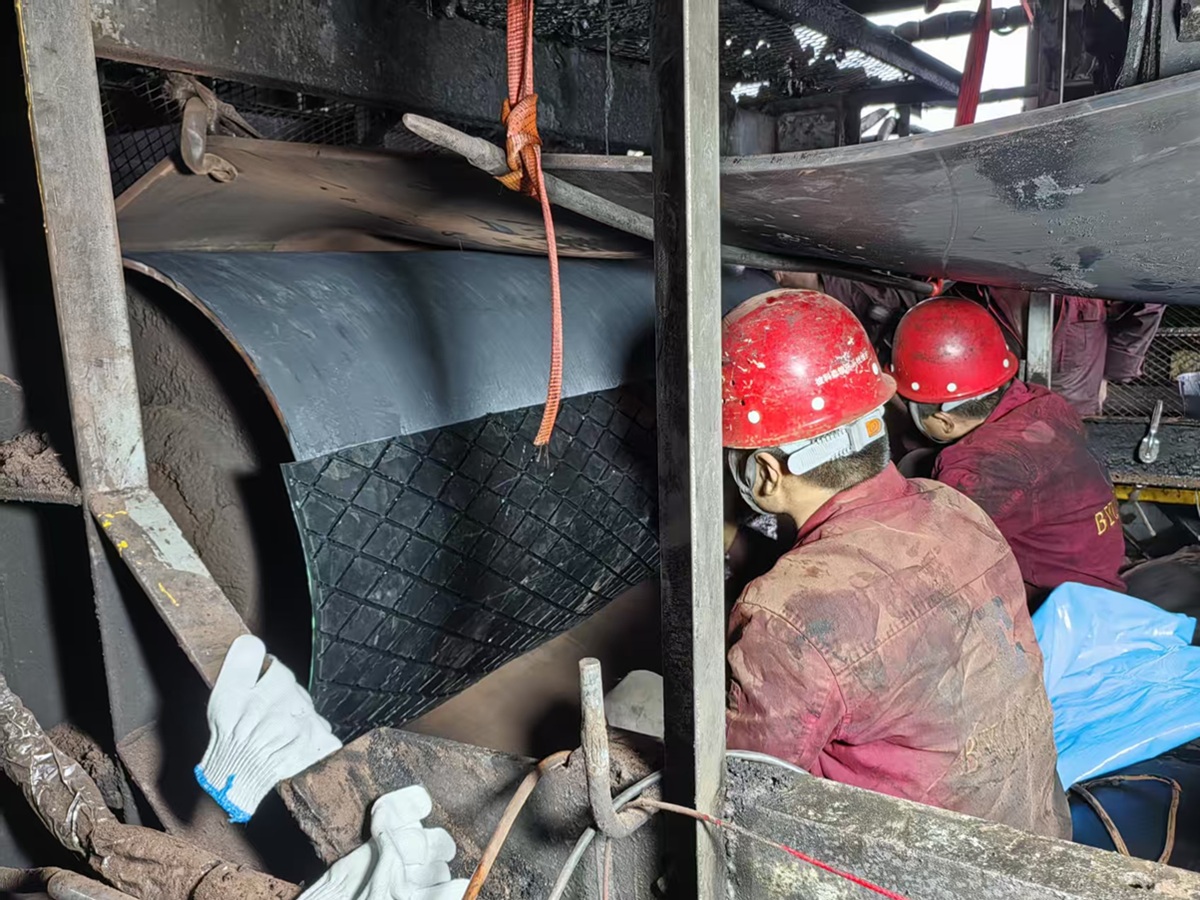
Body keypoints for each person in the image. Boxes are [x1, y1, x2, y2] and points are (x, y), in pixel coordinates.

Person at [722, 288, 1071, 839]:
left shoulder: (787, 615)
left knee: (642, 701)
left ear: (764, 472)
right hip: (1036, 835)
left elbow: (744, 794)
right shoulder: (955, 508)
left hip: (915, 868)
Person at [891, 298, 1126, 607]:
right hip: (1099, 579)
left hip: (1060, 614)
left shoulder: (977, 468)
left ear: (945, 421)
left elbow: (932, 557)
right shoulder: (1045, 403)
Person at [775, 271, 1165, 417]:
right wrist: (824, 282)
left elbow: (1147, 298)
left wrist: (1114, 370)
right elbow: (911, 298)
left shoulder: (1093, 269)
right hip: (984, 404)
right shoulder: (974, 274)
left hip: (1069, 397)